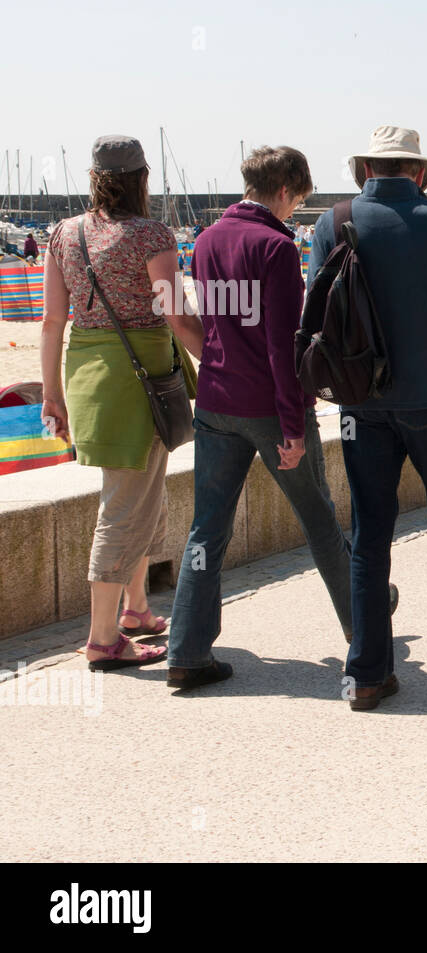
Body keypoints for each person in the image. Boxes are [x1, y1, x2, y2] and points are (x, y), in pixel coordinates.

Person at [166, 146, 388, 691]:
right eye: (299, 201)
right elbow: (281, 346)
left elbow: (206, 323)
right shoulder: (277, 248)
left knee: (206, 530)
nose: (296, 212)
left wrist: (219, 369)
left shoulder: (207, 241)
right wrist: (292, 425)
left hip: (216, 403)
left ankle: (186, 651)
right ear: (286, 191)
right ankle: (365, 643)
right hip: (267, 405)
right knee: (320, 522)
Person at [307, 126, 427, 712]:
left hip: (360, 401)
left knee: (370, 532)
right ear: (418, 173)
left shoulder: (333, 222)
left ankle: (367, 671)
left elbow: (315, 313)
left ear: (367, 168)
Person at [39, 135, 204, 671]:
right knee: (125, 505)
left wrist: (52, 396)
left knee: (140, 491)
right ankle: (103, 639)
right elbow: (176, 315)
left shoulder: (63, 233)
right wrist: (218, 362)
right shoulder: (150, 233)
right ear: (142, 178)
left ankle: (136, 609)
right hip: (140, 376)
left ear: (93, 177)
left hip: (88, 376)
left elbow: (52, 322)